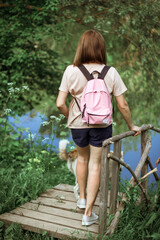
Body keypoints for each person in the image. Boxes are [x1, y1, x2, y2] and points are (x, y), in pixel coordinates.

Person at [56, 30, 141, 226]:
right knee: (96, 165)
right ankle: (87, 214)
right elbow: (123, 105)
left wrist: (73, 118)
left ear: (81, 47)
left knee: (82, 160)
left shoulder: (71, 70)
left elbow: (60, 103)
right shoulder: (110, 72)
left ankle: (82, 199)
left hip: (78, 125)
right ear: (101, 48)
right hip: (102, 125)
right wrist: (131, 125)